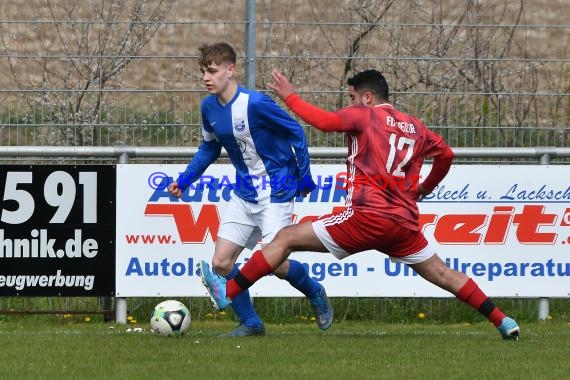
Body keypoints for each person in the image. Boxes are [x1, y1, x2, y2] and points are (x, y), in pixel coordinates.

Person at [199, 68, 521, 341]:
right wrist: (424, 187)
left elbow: (324, 122)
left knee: (284, 239)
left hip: (367, 217)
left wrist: (289, 96)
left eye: (351, 97)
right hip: (403, 224)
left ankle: (229, 291)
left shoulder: (365, 116)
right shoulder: (416, 127)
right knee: (443, 273)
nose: (349, 104)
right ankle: (503, 321)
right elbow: (446, 155)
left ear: (367, 98)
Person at [167, 43, 333, 336]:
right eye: (203, 71)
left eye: (213, 71)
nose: (206, 77)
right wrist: (185, 180)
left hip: (276, 193)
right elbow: (209, 147)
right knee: (220, 262)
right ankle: (251, 323)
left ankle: (315, 291)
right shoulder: (208, 107)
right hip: (244, 194)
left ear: (230, 70)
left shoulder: (255, 103)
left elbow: (296, 132)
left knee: (277, 265)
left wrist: (304, 178)